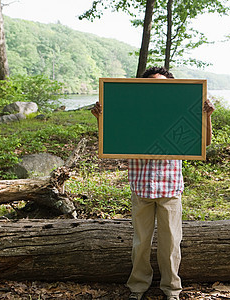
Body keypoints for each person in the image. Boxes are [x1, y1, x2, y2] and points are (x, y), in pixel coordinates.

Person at [91, 66, 214, 300]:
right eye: (152, 84)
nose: (157, 88)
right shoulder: (133, 111)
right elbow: (112, 139)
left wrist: (207, 115)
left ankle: (172, 289)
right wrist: (102, 117)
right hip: (141, 187)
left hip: (170, 188)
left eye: (163, 84)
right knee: (140, 245)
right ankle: (137, 287)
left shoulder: (180, 112)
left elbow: (203, 143)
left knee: (170, 245)